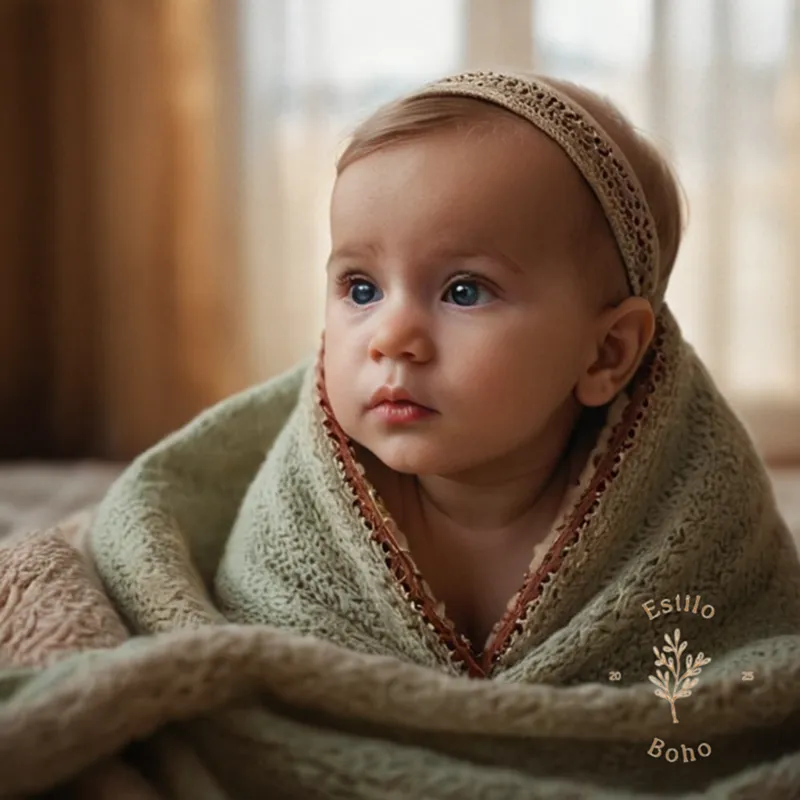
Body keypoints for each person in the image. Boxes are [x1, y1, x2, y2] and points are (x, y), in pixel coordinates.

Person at [1, 70, 799, 799]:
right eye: (360, 286)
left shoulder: (685, 513)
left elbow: (738, 682)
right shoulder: (308, 516)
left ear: (607, 352)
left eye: (462, 289)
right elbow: (258, 676)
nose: (392, 337)